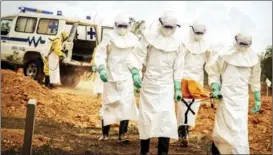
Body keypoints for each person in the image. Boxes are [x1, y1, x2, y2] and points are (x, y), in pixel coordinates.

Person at [129, 11, 185, 155]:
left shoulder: (178, 44)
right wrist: (135, 72)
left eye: (172, 28)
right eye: (166, 26)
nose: (168, 30)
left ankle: (163, 152)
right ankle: (144, 150)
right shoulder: (148, 38)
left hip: (167, 86)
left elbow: (179, 67)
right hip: (149, 84)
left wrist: (178, 87)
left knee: (166, 119)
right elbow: (137, 55)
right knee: (147, 117)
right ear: (160, 24)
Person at [205, 33, 261, 154]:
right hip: (226, 97)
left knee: (240, 130)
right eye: (241, 44)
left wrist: (257, 97)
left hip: (242, 100)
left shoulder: (253, 58)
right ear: (236, 41)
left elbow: (255, 78)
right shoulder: (225, 55)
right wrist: (215, 87)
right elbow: (213, 72)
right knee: (222, 128)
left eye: (246, 45)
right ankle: (218, 151)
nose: (243, 47)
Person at [94, 13, 139, 143]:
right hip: (110, 75)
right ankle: (105, 134)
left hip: (126, 77)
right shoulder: (109, 36)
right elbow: (100, 53)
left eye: (125, 26)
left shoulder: (133, 39)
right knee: (109, 104)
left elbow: (135, 58)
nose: (122, 28)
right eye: (120, 26)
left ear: (129, 26)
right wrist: (101, 68)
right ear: (115, 25)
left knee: (126, 105)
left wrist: (136, 72)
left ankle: (122, 135)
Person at [177, 21, 212, 147]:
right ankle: (182, 133)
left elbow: (210, 63)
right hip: (185, 78)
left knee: (194, 107)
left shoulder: (207, 46)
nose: (199, 35)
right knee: (183, 106)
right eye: (197, 33)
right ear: (192, 31)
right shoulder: (184, 45)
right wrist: (177, 81)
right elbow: (179, 62)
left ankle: (186, 130)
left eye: (201, 33)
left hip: (198, 79)